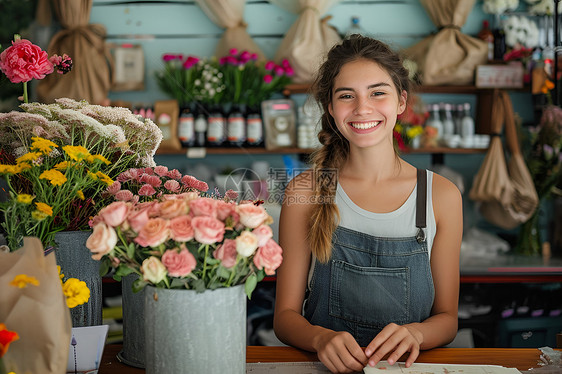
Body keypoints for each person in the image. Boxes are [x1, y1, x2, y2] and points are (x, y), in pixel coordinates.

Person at [273, 35, 463, 374]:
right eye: (347, 96)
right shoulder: (308, 191)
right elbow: (285, 318)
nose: (363, 108)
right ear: (330, 108)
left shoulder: (439, 195)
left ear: (401, 101)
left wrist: (416, 334)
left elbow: (448, 319)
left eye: (378, 92)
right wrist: (319, 339)